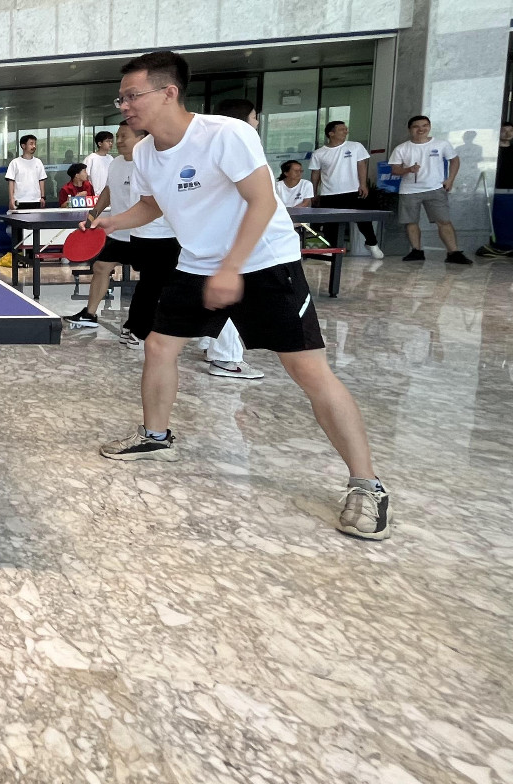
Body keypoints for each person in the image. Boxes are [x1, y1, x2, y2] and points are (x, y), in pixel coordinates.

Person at [88, 52, 388, 540]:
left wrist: (232, 268)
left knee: (308, 370)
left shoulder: (224, 134)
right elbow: (153, 204)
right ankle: (155, 436)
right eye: (121, 97)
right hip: (197, 262)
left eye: (132, 95)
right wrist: (114, 220)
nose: (123, 105)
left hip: (265, 263)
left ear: (168, 92)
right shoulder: (144, 153)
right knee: (159, 346)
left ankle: (367, 484)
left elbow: (262, 200)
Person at [63, 121, 177, 346]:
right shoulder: (115, 163)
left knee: (149, 283)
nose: (119, 141)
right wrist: (93, 215)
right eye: (117, 136)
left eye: (125, 136)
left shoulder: (150, 164)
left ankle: (141, 326)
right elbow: (108, 190)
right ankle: (90, 314)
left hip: (148, 232)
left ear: (142, 139)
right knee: (101, 266)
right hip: (118, 231)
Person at [389, 116, 471, 265]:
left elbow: (454, 160)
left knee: (444, 221)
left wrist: (450, 179)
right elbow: (395, 169)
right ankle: (416, 251)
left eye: (425, 125)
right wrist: (408, 169)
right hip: (409, 190)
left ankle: (453, 253)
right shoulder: (402, 148)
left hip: (435, 188)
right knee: (411, 221)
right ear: (410, 129)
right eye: (416, 126)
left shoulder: (441, 144)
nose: (421, 129)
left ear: (429, 127)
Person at [309, 120, 381, 258]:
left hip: (353, 190)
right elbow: (315, 173)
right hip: (329, 193)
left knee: (363, 218)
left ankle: (372, 243)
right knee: (331, 224)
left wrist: (363, 184)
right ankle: (332, 249)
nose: (346, 131)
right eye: (342, 129)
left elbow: (362, 165)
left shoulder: (355, 146)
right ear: (331, 133)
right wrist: (314, 192)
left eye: (346, 129)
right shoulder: (319, 153)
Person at [478, 121, 513, 259]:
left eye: (510, 131)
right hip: (497, 190)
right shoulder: (492, 150)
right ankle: (499, 246)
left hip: (511, 190)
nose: (508, 134)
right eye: (504, 130)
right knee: (499, 220)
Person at [83, 130, 115, 196]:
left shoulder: (111, 159)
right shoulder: (90, 159)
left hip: (109, 195)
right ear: (100, 144)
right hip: (94, 196)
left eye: (111, 141)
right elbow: (85, 178)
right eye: (108, 141)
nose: (110, 143)